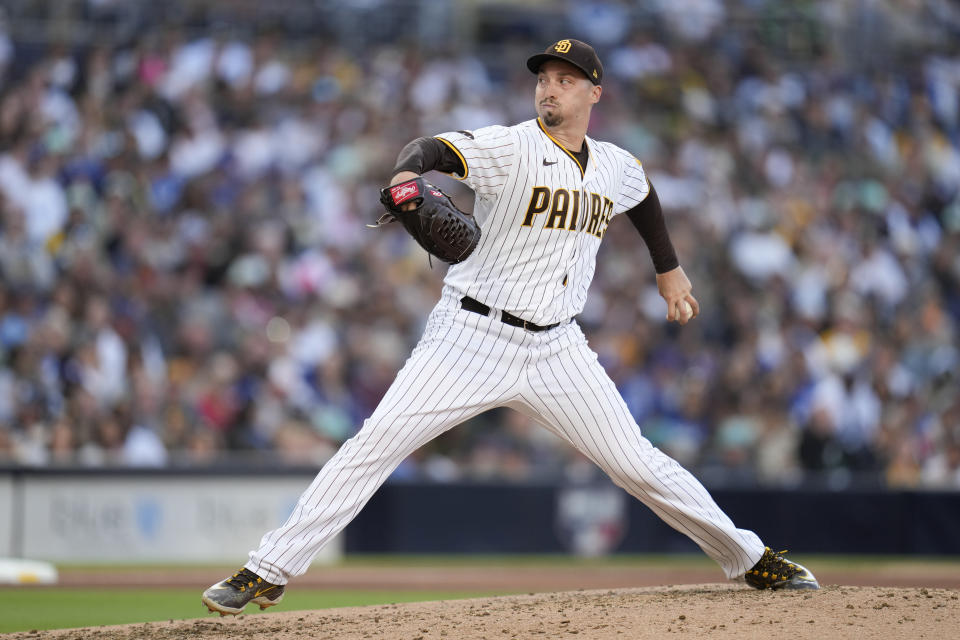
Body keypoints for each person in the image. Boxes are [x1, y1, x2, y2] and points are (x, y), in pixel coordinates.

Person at [201, 38, 818, 616]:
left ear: (594, 94)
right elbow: (432, 150)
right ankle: (268, 567)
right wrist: (401, 175)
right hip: (470, 337)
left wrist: (670, 270)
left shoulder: (614, 166)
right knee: (375, 443)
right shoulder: (512, 146)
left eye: (565, 81)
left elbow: (644, 195)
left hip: (557, 347)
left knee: (637, 463)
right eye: (544, 80)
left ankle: (750, 558)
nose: (550, 89)